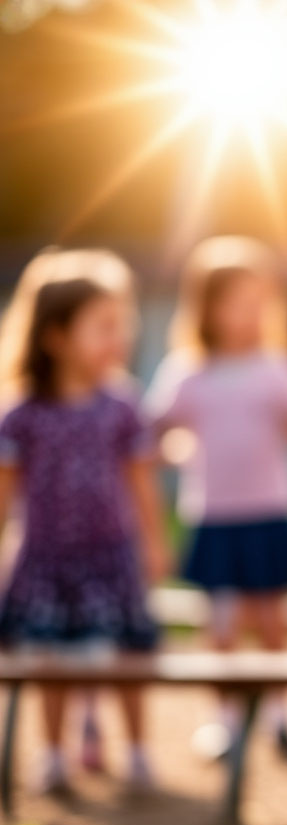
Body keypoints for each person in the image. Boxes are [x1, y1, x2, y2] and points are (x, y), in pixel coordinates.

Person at [145, 236, 287, 761]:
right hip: (214, 515)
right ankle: (222, 720)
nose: (246, 315)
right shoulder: (187, 372)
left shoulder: (276, 368)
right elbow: (154, 432)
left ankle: (279, 717)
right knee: (220, 625)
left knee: (272, 622)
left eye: (255, 303)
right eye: (233, 303)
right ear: (207, 309)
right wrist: (180, 454)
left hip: (270, 509)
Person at [0, 248, 166, 795]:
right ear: (54, 337)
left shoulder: (120, 406)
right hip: (45, 558)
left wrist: (154, 544)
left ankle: (138, 751)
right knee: (50, 661)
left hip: (111, 554)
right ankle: (52, 754)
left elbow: (141, 482)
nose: (118, 340)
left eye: (121, 325)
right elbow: (5, 496)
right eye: (102, 327)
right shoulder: (21, 415)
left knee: (126, 657)